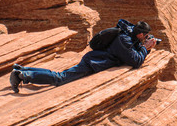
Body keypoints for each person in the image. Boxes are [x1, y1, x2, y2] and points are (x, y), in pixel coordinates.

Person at [10, 19, 157, 93]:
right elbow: (136, 61)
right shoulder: (124, 40)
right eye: (144, 36)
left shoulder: (129, 33)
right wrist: (145, 47)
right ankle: (22, 75)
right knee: (60, 78)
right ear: (140, 34)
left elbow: (134, 50)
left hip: (95, 59)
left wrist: (144, 46)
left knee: (60, 75)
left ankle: (21, 68)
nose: (145, 38)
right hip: (94, 62)